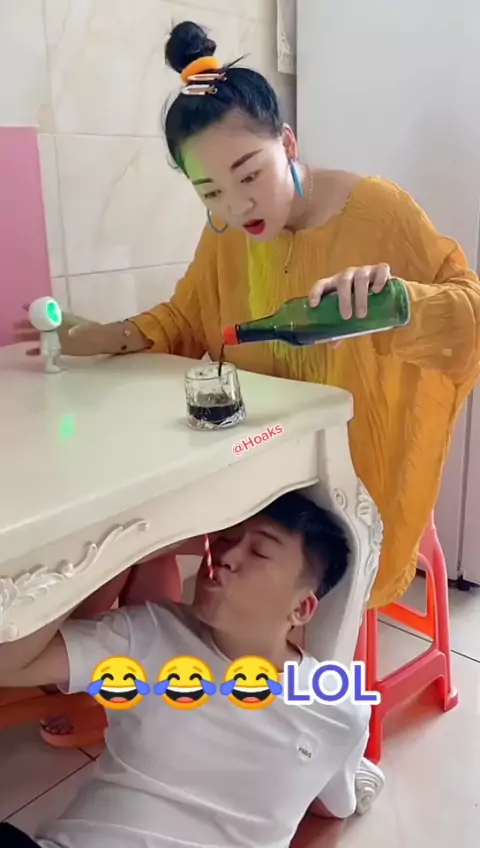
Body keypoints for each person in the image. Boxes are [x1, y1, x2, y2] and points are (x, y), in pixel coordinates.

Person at [14, 18, 480, 741]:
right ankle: (148, 706)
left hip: (359, 474)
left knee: (223, 569)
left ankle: (296, 737)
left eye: (249, 175)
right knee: (132, 538)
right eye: (209, 192)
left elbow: (468, 316)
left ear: (287, 144)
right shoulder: (228, 232)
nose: (236, 208)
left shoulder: (379, 213)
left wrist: (401, 304)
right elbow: (188, 317)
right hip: (258, 463)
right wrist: (103, 335)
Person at [0, 492, 377, 848]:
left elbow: (332, 810)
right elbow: (11, 666)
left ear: (301, 608)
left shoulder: (340, 708)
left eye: (259, 551)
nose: (227, 555)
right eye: (226, 538)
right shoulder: (149, 632)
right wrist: (103, 554)